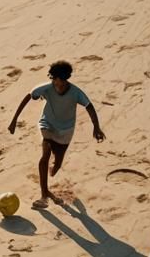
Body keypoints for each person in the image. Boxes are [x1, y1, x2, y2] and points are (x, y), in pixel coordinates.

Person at [7, 60, 104, 206]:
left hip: (66, 130)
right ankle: (44, 195)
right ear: (53, 78)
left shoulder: (76, 92)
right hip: (48, 125)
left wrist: (96, 127)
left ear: (67, 79)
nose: (60, 85)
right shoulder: (46, 88)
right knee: (45, 155)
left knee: (57, 164)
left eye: (63, 81)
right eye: (57, 81)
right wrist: (14, 120)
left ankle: (53, 169)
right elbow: (28, 96)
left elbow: (89, 106)